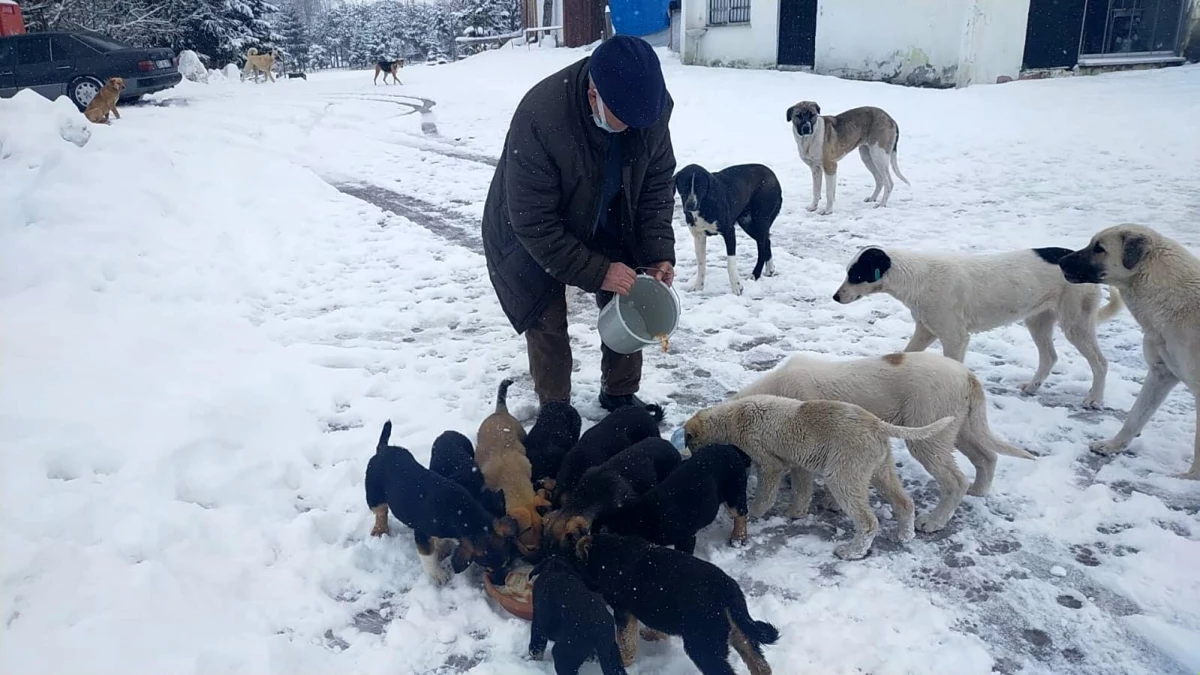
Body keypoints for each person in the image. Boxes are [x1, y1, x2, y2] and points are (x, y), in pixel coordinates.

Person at [481, 35, 676, 411]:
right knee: (545, 314)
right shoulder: (541, 117)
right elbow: (534, 221)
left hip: (606, 213)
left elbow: (656, 184)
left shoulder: (648, 111)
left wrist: (657, 253)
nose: (636, 128)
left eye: (642, 122)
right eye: (625, 121)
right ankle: (556, 409)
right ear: (594, 97)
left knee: (631, 294)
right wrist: (598, 270)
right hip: (528, 231)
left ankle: (620, 394)